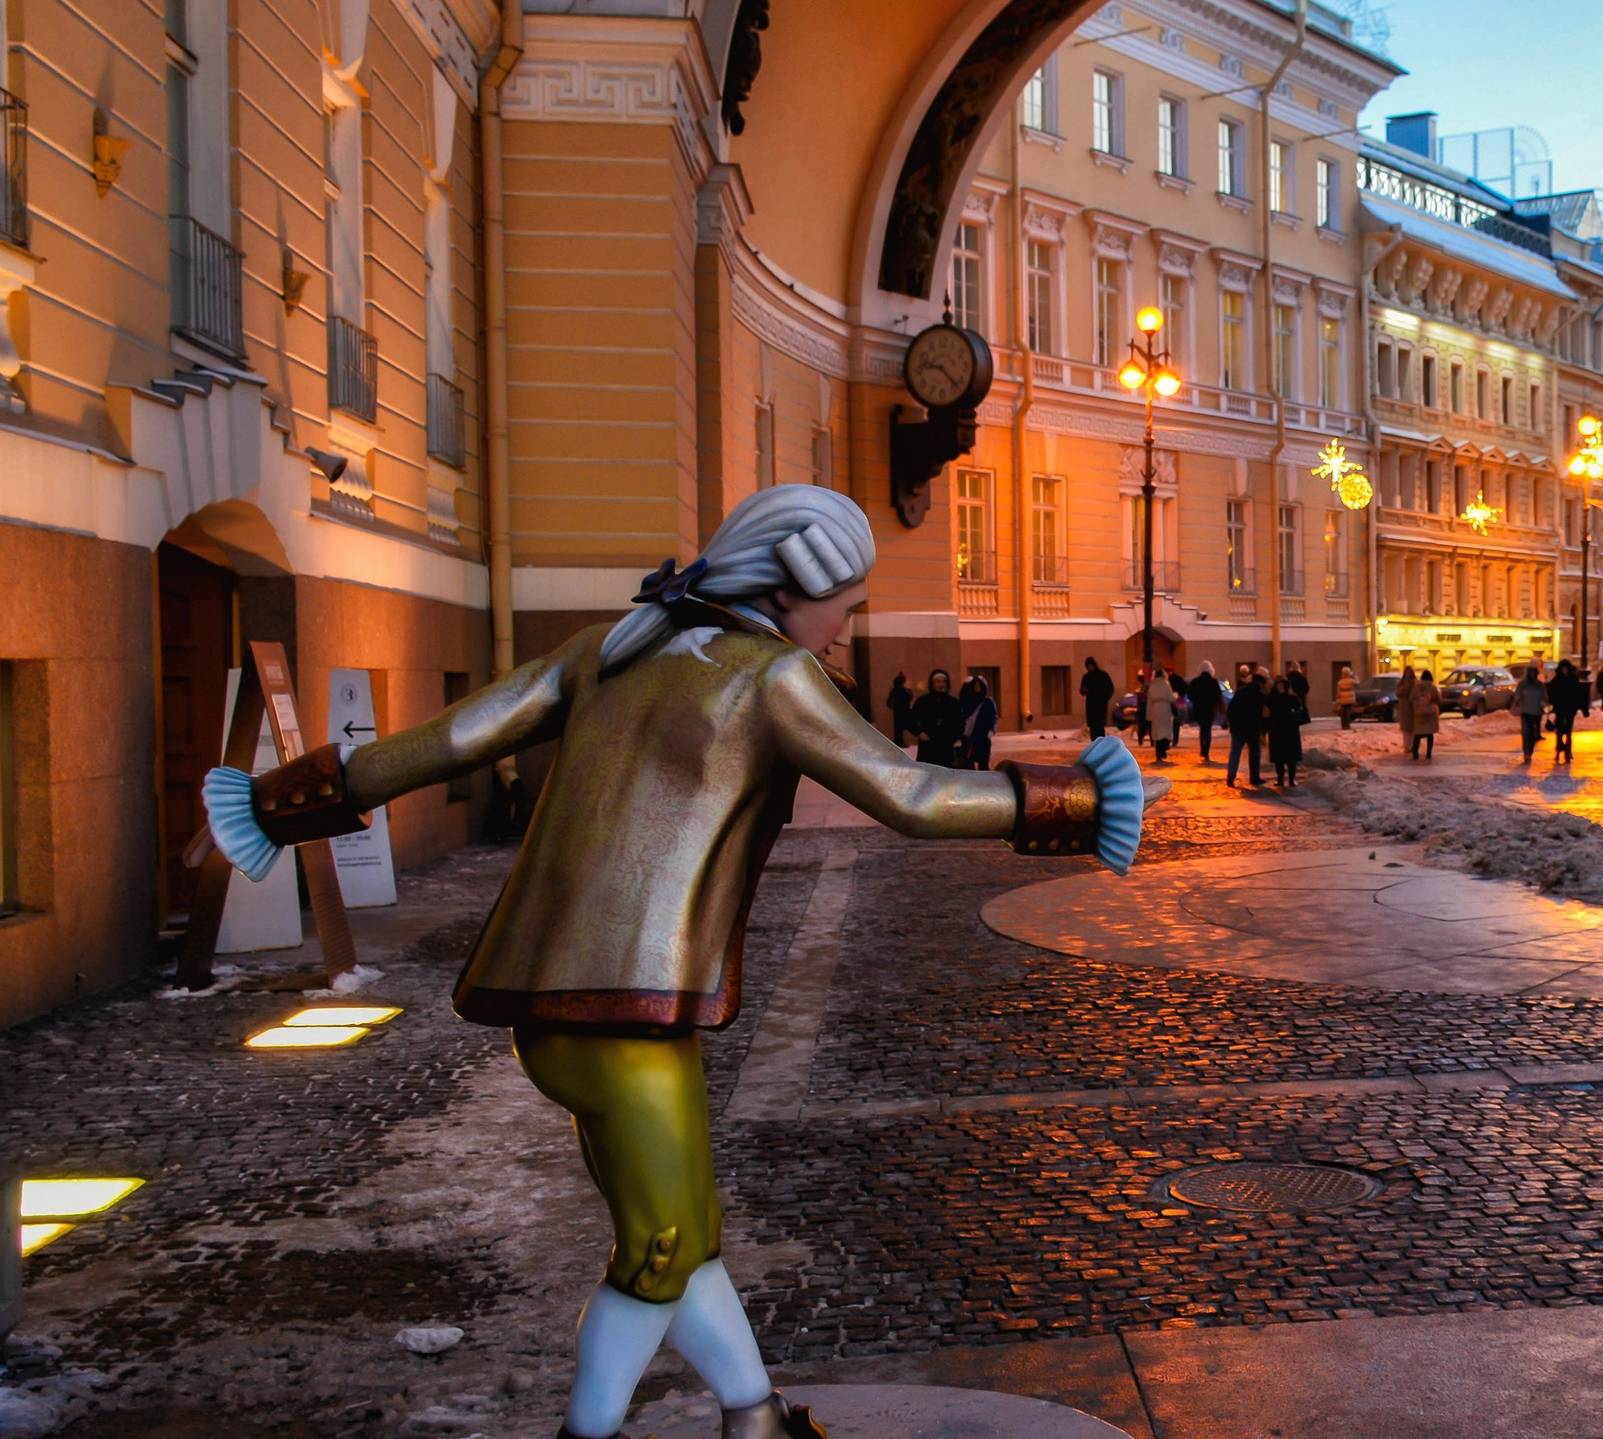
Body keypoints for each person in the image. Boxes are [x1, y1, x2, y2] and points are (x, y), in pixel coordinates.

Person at [191, 483, 1156, 1439]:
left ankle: (754, 1416)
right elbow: (911, 795)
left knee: (682, 1225)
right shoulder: (772, 677)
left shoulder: (614, 648)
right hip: (627, 1013)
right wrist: (1081, 800)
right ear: (793, 589)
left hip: (549, 1004)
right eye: (845, 607)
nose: (845, 630)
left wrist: (277, 805)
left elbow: (450, 738)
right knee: (662, 1243)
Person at [910, 668, 964, 768]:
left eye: (944, 681)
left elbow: (960, 723)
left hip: (946, 746)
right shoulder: (923, 701)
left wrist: (955, 738)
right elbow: (910, 719)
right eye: (937, 681)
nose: (941, 684)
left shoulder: (953, 702)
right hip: (928, 746)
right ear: (932, 683)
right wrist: (918, 732)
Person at [1225, 667, 1269, 788]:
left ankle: (1230, 777)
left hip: (1238, 728)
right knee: (1254, 754)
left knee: (1235, 753)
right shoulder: (1260, 695)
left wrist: (1231, 723)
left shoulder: (1241, 692)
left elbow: (1231, 709)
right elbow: (1262, 715)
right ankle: (1254, 777)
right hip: (1252, 729)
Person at [1267, 679, 1309, 789]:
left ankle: (1290, 779)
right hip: (1283, 729)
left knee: (1290, 758)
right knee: (1280, 758)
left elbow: (1299, 707)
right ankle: (1281, 779)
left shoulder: (1288, 698)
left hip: (1286, 730)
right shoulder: (1276, 698)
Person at [1548, 660, 1588, 764]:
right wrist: (1551, 706)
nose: (1564, 670)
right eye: (1563, 668)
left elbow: (1580, 694)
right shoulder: (1557, 680)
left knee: (1568, 732)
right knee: (1560, 731)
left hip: (1570, 709)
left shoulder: (1572, 680)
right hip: (1560, 709)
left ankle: (1567, 751)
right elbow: (1551, 693)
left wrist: (1584, 709)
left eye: (1566, 668)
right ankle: (1559, 749)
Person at [1511, 661, 1550, 764]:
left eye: (1534, 673)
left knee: (1532, 734)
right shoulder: (1523, 685)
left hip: (1536, 712)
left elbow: (1544, 698)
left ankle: (1530, 751)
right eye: (1531, 672)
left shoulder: (1540, 686)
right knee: (1526, 733)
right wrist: (1518, 702)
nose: (1532, 674)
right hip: (1526, 712)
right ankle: (1526, 753)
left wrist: (1544, 705)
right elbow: (1517, 695)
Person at [959, 675, 998, 771]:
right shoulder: (968, 700)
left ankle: (983, 784)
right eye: (975, 685)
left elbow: (993, 717)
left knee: (983, 764)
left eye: (979, 685)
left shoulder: (988, 702)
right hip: (968, 738)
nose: (977, 687)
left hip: (983, 737)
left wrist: (992, 731)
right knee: (968, 763)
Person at [1187, 662, 1224, 762]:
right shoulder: (1214, 682)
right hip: (1210, 709)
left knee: (1202, 728)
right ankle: (1206, 750)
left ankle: (1203, 749)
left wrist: (1196, 700)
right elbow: (1218, 696)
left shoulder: (1195, 682)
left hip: (1199, 709)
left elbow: (1190, 694)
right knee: (1208, 729)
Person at [1145, 668, 1181, 765]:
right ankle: (1163, 750)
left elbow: (1149, 702)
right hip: (1165, 709)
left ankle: (1158, 754)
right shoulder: (1166, 684)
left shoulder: (1152, 686)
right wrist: (1176, 695)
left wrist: (1148, 715)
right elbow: (1170, 697)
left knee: (1157, 731)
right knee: (1165, 730)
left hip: (1156, 709)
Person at [1079, 656, 1115, 741]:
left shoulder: (1103, 675)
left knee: (1100, 727)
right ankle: (1094, 744)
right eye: (1087, 666)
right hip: (1091, 706)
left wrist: (1105, 698)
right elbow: (1081, 691)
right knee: (1093, 728)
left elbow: (1110, 688)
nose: (1089, 668)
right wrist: (1085, 690)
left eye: (1090, 665)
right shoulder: (1086, 677)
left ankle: (1100, 745)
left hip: (1100, 705)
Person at [1411, 669, 1442, 760]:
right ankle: (1428, 753)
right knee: (1429, 734)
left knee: (1417, 734)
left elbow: (1411, 697)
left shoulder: (1416, 687)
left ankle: (1415, 753)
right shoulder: (1432, 687)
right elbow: (1438, 699)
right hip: (1430, 713)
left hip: (1419, 713)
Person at [1395, 664, 1421, 758]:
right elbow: (1398, 693)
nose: (1408, 675)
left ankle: (1413, 745)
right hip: (1405, 708)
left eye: (1410, 673)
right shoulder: (1402, 683)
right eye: (1407, 673)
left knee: (1414, 728)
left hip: (1413, 708)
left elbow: (1417, 694)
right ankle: (1407, 746)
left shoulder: (1416, 683)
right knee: (1406, 729)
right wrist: (1406, 687)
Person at [886, 671, 913, 750]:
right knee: (901, 727)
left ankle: (898, 742)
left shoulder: (894, 690)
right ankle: (900, 742)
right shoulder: (903, 690)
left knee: (898, 728)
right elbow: (909, 697)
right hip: (903, 710)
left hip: (897, 710)